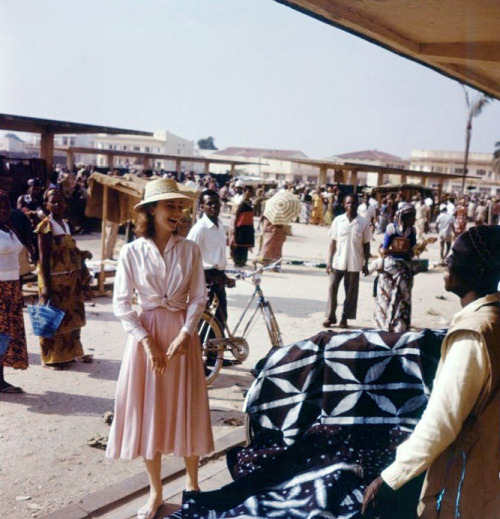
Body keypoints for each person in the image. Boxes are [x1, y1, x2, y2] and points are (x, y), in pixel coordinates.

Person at [363, 225, 500, 519]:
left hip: (467, 484)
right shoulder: (492, 322)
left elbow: (442, 423)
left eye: (455, 255)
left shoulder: (474, 334)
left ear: (476, 272)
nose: (447, 261)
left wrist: (389, 478)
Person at [106, 178, 213, 519]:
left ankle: (194, 486)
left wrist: (186, 333)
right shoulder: (132, 251)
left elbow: (199, 296)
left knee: (188, 406)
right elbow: (121, 304)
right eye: (171, 206)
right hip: (146, 336)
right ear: (151, 210)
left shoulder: (190, 249)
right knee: (150, 411)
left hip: (183, 336)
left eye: (180, 206)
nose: (178, 212)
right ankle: (155, 493)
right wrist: (146, 341)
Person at [36, 188, 92, 370]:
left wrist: (82, 258)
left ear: (65, 204)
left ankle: (67, 354)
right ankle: (52, 358)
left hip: (71, 280)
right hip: (54, 279)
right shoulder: (46, 226)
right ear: (47, 204)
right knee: (52, 318)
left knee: (70, 317)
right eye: (53, 201)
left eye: (60, 201)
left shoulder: (66, 225)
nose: (58, 204)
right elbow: (43, 258)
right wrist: (45, 285)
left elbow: (69, 250)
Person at [187, 189, 235, 327]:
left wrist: (224, 277)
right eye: (210, 204)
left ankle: (216, 348)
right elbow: (188, 257)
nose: (214, 206)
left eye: (216, 203)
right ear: (202, 207)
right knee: (205, 321)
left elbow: (218, 258)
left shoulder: (220, 225)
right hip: (205, 280)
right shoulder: (200, 229)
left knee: (221, 318)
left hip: (218, 278)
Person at [324, 194, 371, 329]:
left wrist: (366, 263)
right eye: (348, 203)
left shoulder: (363, 223)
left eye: (353, 203)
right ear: (344, 205)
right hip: (338, 261)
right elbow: (333, 242)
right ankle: (330, 316)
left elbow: (367, 244)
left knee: (350, 293)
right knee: (332, 288)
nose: (351, 206)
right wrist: (329, 261)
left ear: (358, 204)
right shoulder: (338, 221)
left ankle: (344, 318)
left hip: (354, 262)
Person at [0, 190, 28, 393]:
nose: (3, 210)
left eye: (6, 205)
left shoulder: (8, 228)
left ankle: (0, 380)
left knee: (5, 335)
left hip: (12, 287)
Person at [375, 204, 417, 332]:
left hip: (404, 268)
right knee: (387, 296)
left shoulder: (412, 231)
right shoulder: (391, 228)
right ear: (405, 217)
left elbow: (412, 252)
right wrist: (403, 252)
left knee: (403, 297)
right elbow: (384, 251)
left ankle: (400, 324)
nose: (414, 220)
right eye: (412, 217)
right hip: (391, 268)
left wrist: (399, 251)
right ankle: (385, 324)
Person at [230, 186, 255, 267]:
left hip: (248, 225)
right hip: (240, 226)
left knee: (245, 245)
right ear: (245, 191)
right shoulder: (240, 202)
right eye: (249, 191)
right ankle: (237, 261)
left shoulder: (250, 202)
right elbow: (236, 215)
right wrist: (234, 227)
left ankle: (243, 261)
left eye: (252, 192)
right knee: (239, 244)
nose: (251, 193)